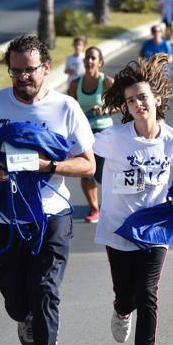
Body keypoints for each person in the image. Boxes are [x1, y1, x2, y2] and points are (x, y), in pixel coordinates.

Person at [0, 35, 96, 345]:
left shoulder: (66, 108)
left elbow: (88, 163)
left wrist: (49, 166)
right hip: (4, 216)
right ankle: (24, 318)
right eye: (16, 70)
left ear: (46, 68)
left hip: (51, 215)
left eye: (30, 70)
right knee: (14, 297)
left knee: (45, 291)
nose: (23, 77)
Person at [95, 55, 173, 345]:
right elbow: (80, 145)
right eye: (131, 100)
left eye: (143, 98)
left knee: (147, 292)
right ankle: (121, 311)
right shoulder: (114, 138)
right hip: (119, 226)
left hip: (155, 224)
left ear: (157, 100)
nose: (137, 104)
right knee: (126, 294)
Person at [67, 46, 116, 222]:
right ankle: (94, 208)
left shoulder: (107, 82)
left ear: (100, 63)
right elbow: (69, 108)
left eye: (93, 58)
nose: (89, 61)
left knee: (102, 174)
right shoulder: (75, 84)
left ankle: (112, 204)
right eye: (87, 58)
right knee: (85, 170)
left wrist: (104, 109)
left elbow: (121, 106)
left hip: (103, 131)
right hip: (83, 132)